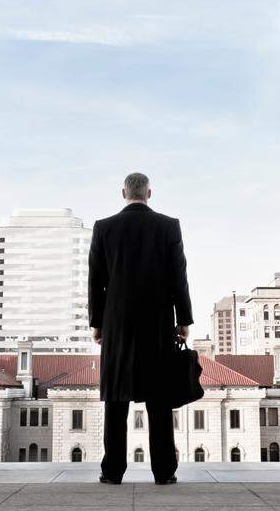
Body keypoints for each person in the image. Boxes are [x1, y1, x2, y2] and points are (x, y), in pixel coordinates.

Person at [89, 172, 193, 485]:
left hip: (117, 324)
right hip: (157, 322)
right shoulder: (168, 226)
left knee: (116, 400)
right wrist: (183, 320)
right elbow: (178, 277)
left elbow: (96, 281)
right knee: (159, 400)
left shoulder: (103, 227)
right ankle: (164, 471)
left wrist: (97, 323)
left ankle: (112, 472)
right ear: (149, 193)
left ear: (123, 193)